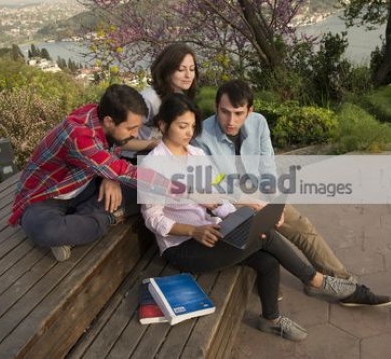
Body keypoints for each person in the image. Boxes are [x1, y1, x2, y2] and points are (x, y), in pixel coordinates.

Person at [141, 93, 360, 342]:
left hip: (210, 231)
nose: (189, 132)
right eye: (182, 126)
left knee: (267, 260)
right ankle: (316, 280)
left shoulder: (196, 155)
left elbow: (216, 196)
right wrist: (193, 231)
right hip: (182, 248)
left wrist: (243, 209)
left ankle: (271, 319)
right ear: (162, 125)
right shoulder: (152, 166)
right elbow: (153, 219)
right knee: (263, 235)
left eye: (192, 126)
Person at [192, 79, 391, 307]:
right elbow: (214, 183)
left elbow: (267, 166)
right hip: (228, 201)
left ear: (250, 111)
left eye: (238, 113)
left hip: (257, 193)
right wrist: (252, 204)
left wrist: (273, 203)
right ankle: (276, 279)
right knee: (265, 230)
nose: (231, 121)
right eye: (224, 112)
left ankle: (345, 285)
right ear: (216, 106)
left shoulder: (258, 123)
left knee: (300, 226)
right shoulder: (201, 137)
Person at [8, 84, 175, 261]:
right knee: (47, 230)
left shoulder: (98, 115)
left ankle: (83, 225)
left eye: (137, 127)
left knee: (141, 192)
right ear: (109, 121)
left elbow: (112, 161)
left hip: (83, 184)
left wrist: (110, 178)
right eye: (130, 128)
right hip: (47, 196)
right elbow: (125, 171)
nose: (135, 134)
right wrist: (178, 187)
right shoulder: (79, 136)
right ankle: (109, 217)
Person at [121, 43, 198, 161]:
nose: (188, 75)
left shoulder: (181, 96)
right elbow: (120, 141)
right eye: (181, 69)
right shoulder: (148, 99)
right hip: (136, 159)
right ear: (167, 70)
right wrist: (154, 144)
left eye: (192, 69)